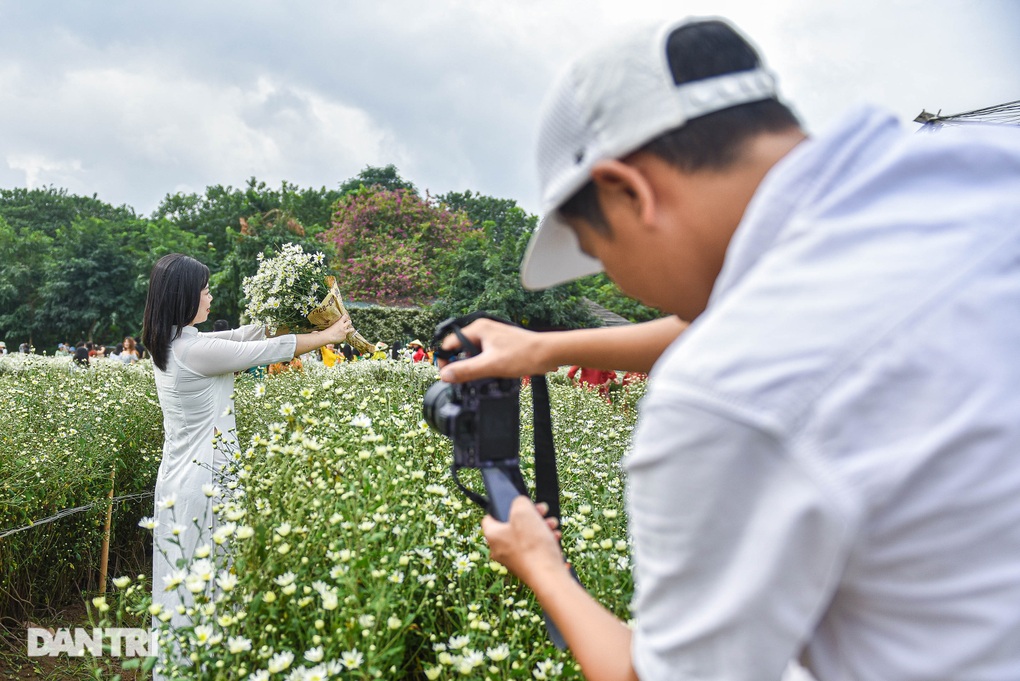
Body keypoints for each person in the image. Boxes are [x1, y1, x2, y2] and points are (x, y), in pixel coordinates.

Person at [437, 17, 1020, 681]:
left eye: (601, 256)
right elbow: (767, 322)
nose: (619, 282)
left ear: (630, 190)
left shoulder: (722, 396)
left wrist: (539, 561)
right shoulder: (969, 177)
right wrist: (541, 349)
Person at [141, 253, 352, 676]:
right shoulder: (195, 351)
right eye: (204, 290)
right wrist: (330, 333)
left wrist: (285, 315)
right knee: (213, 580)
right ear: (184, 297)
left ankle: (186, 664)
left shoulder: (171, 343)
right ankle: (204, 666)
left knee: (185, 579)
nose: (210, 296)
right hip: (207, 482)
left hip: (179, 479)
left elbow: (243, 335)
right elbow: (266, 350)